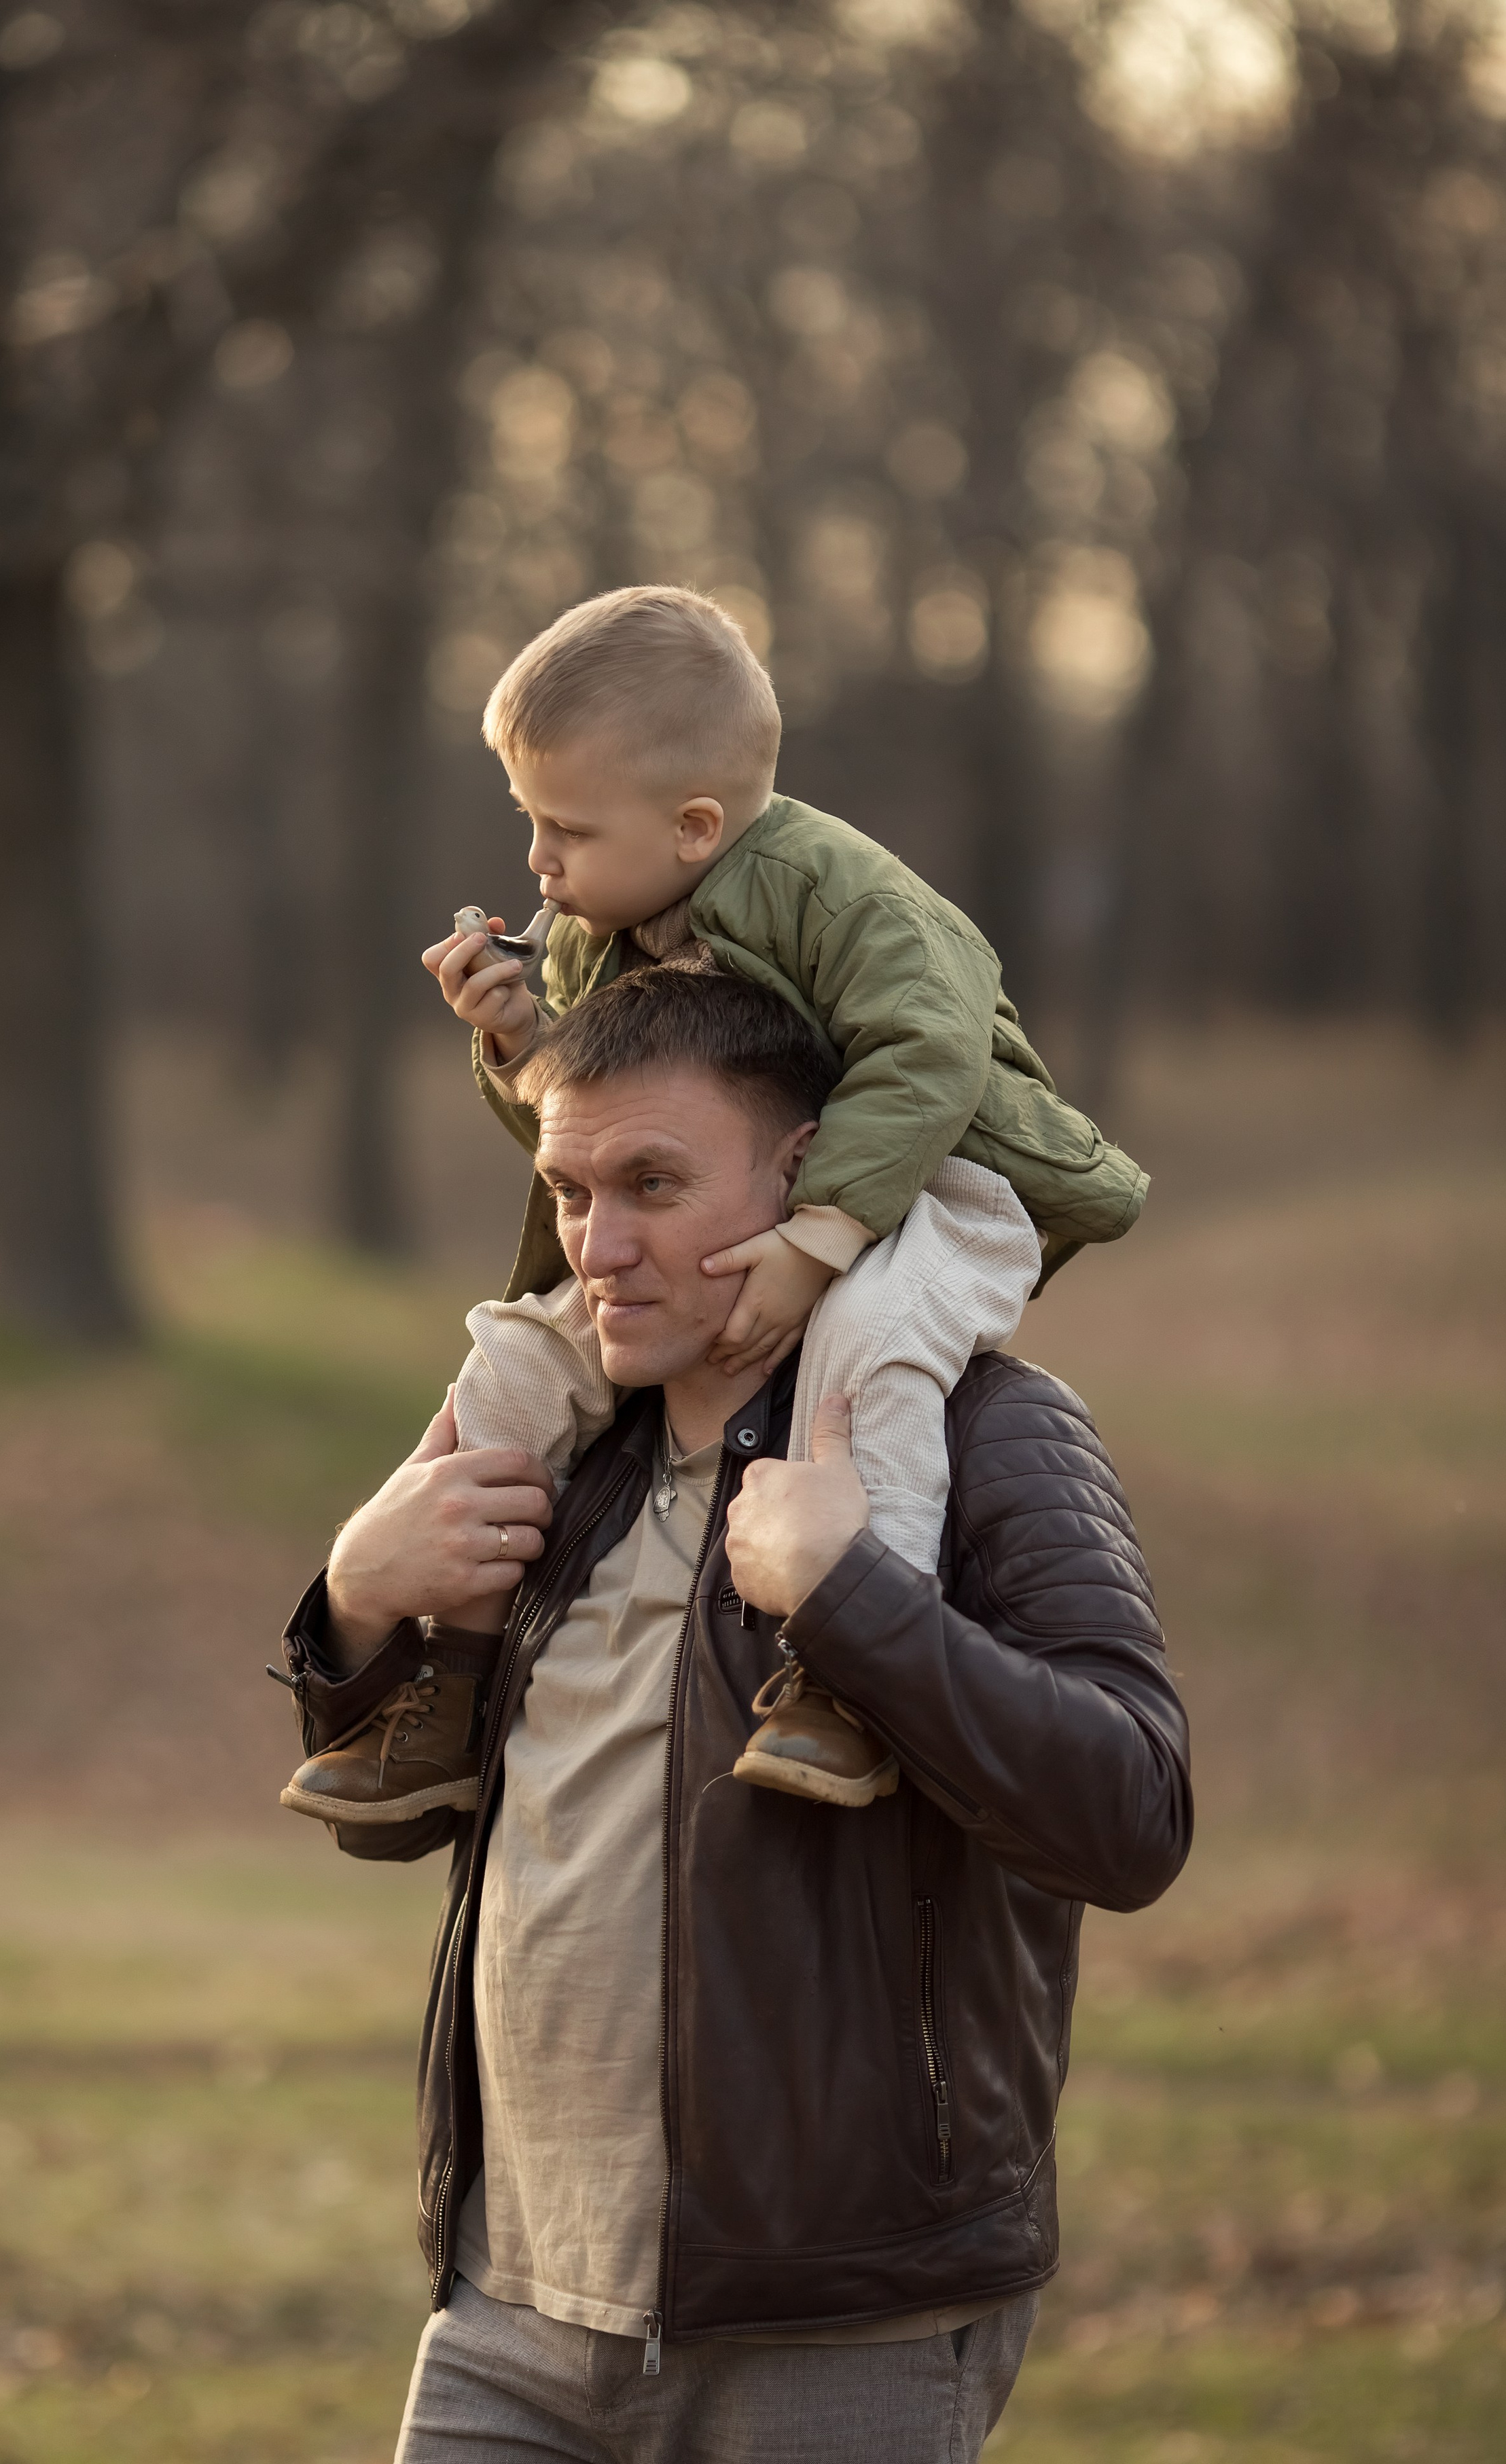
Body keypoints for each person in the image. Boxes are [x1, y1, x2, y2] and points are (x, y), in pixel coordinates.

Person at [272, 971, 1191, 2464]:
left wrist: (853, 1603)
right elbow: (409, 1819)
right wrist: (352, 1607)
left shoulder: (986, 1437)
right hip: (507, 2314)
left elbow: (1126, 1813)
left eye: (651, 1187)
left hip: (830, 2316)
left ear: (807, 1182)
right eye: (567, 1191)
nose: (594, 1247)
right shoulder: (571, 1456)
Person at [390, 584, 1146, 1809]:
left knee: (867, 1349)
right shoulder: (592, 927)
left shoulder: (845, 895)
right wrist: (523, 1037)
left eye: (563, 829)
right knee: (518, 1358)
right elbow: (599, 1127)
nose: (536, 862)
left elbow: (931, 1058)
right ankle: (450, 1684)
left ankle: (848, 1688)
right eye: (529, 822)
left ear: (695, 825)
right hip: (744, 1210)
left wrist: (818, 1240)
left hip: (938, 1181)